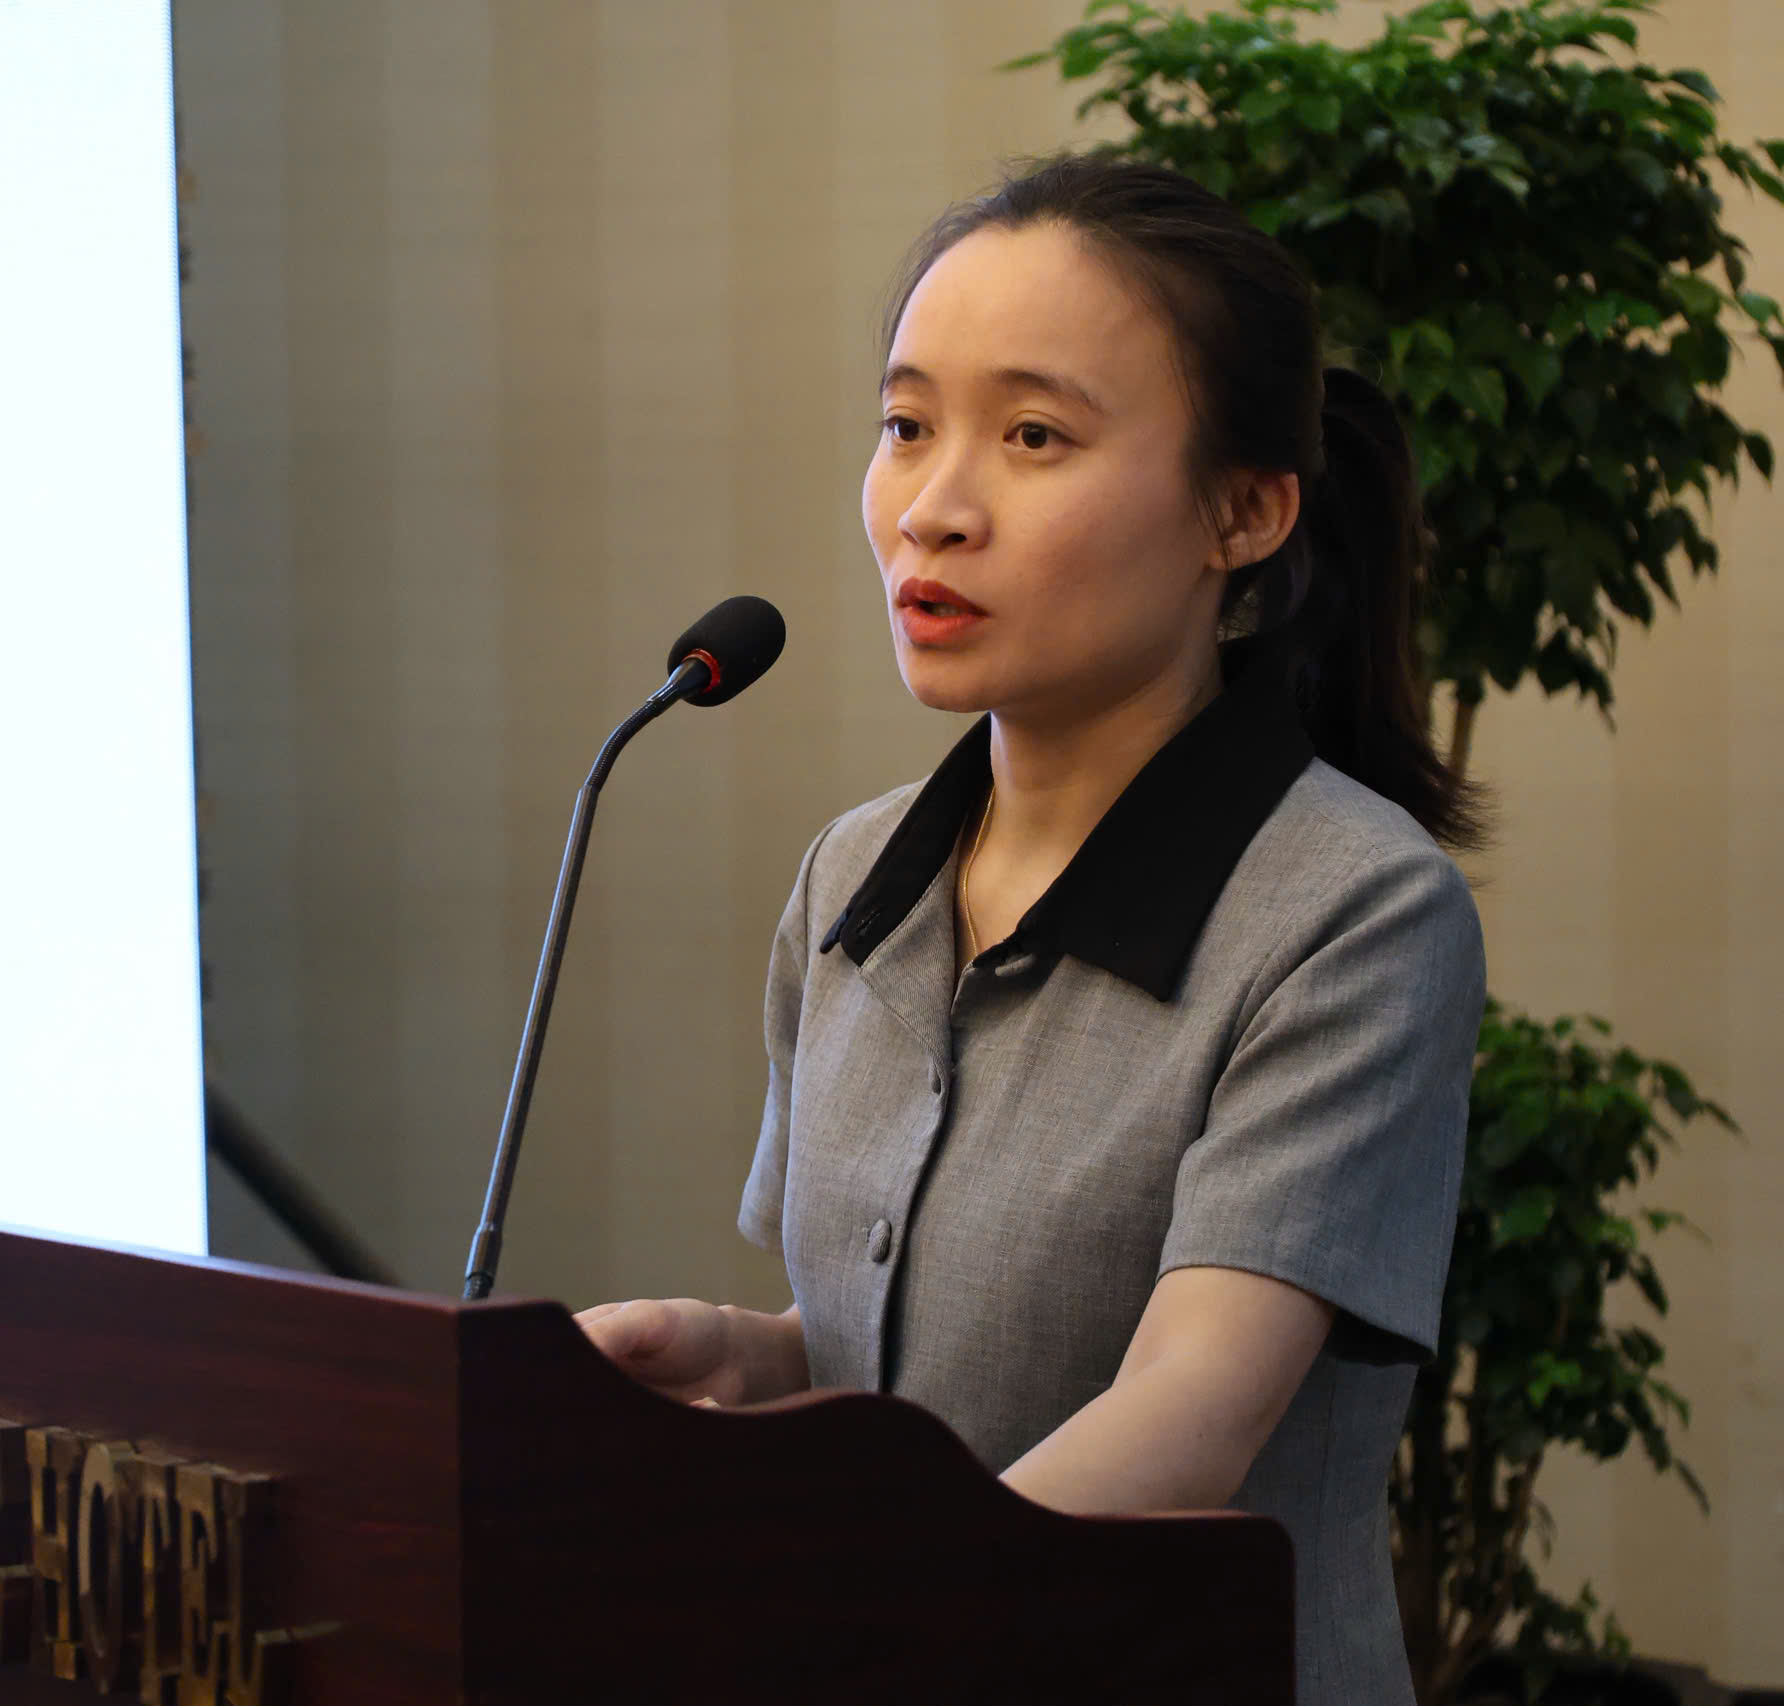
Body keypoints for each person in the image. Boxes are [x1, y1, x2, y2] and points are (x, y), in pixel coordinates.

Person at [577, 153, 1486, 1706]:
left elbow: (1190, 1412)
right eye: (906, 426)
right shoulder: (852, 879)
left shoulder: (1353, 909)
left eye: (1034, 436)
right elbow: (917, 1350)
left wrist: (855, 1629)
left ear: (1245, 511)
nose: (933, 509)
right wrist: (744, 1355)